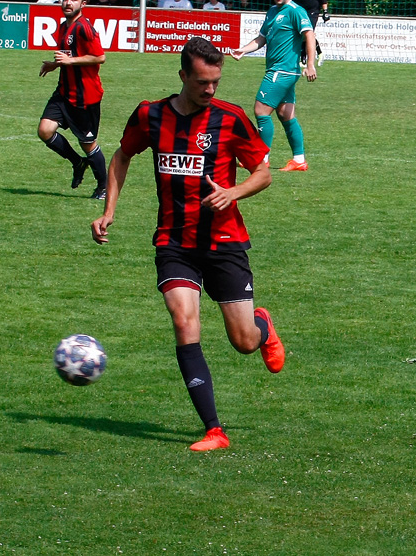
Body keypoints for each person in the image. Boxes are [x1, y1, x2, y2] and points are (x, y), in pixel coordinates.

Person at [91, 37, 285, 452]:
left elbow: (264, 173)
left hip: (224, 241)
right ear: (182, 76)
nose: (210, 89)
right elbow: (123, 155)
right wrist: (110, 211)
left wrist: (234, 193)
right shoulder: (150, 115)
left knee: (244, 342)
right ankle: (214, 429)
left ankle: (263, 327)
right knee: (184, 322)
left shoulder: (231, 119)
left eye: (215, 81)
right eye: (202, 82)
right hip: (174, 242)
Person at [232, 0, 316, 172]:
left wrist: (310, 64)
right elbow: (262, 39)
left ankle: (262, 159)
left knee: (261, 110)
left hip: (283, 71)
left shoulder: (296, 11)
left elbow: (310, 35)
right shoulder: (271, 11)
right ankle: (299, 160)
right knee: (286, 115)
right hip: (279, 71)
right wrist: (243, 49)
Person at [37, 0, 109, 200]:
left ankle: (103, 187)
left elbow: (99, 57)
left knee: (88, 144)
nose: (68, 2)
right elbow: (68, 55)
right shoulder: (63, 27)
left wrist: (70, 61)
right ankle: (77, 163)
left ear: (83, 4)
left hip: (85, 97)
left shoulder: (84, 28)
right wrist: (54, 64)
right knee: (45, 130)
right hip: (63, 92)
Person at [292, 0, 329, 66]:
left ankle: (303, 58)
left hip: (313, 11)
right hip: (300, 12)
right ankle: (320, 53)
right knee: (302, 34)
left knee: (308, 33)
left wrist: (325, 11)